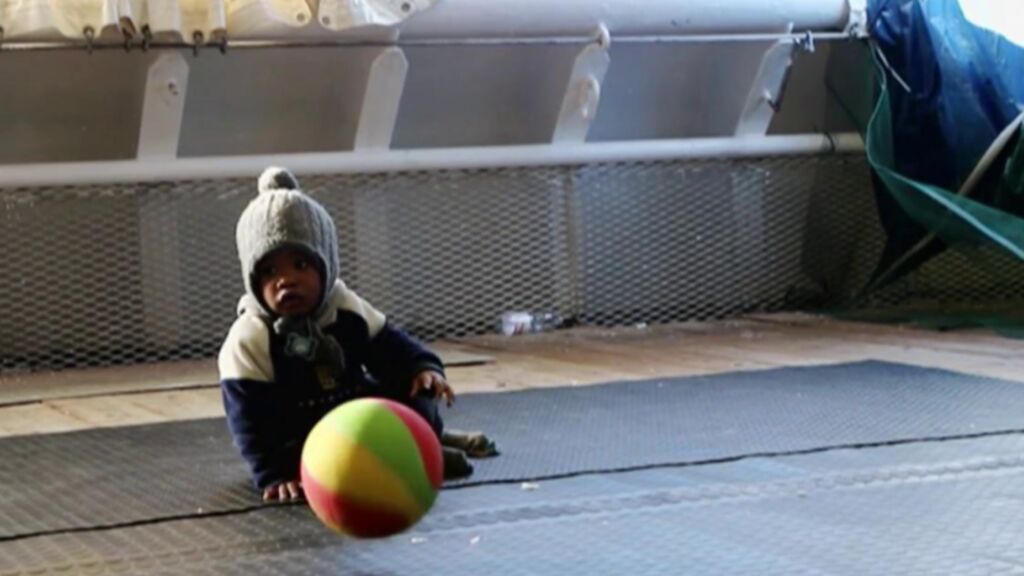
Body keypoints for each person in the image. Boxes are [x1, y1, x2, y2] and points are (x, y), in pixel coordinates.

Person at [219, 166, 496, 502]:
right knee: (300, 451)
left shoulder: (344, 306)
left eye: (301, 265)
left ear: (327, 264)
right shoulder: (250, 338)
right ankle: (418, 455)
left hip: (355, 414)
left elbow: (391, 348)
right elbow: (249, 418)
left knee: (414, 386)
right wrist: (273, 474)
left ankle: (429, 438)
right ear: (252, 279)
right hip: (301, 440)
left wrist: (425, 369)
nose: (286, 280)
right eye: (269, 271)